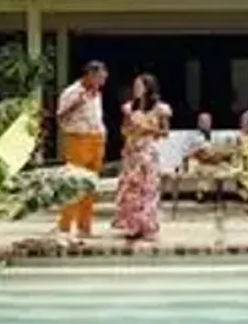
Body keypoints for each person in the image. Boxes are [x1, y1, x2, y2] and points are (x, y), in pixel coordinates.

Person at [113, 73, 171, 242]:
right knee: (131, 189)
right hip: (132, 151)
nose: (136, 89)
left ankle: (147, 225)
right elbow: (123, 130)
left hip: (148, 150)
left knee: (148, 189)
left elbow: (165, 132)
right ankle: (132, 225)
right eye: (135, 86)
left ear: (148, 88)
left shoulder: (160, 109)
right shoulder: (129, 107)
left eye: (140, 86)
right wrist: (131, 129)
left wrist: (148, 130)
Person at [55, 60, 108, 239]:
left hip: (96, 139)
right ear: (90, 75)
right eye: (100, 77)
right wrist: (76, 103)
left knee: (90, 185)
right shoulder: (72, 92)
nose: (103, 80)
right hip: (78, 139)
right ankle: (65, 226)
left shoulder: (97, 94)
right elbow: (60, 117)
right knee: (74, 182)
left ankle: (85, 227)